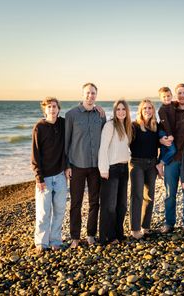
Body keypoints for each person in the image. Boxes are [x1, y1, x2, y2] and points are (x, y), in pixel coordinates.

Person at [65, 83, 106, 248]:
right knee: (76, 202)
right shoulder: (71, 115)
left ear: (96, 95)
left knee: (94, 202)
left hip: (96, 166)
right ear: (83, 94)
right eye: (88, 93)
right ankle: (75, 236)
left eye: (93, 93)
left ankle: (91, 234)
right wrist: (66, 165)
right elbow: (66, 141)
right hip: (77, 165)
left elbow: (105, 140)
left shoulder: (100, 115)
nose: (91, 96)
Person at [31, 97, 67, 253]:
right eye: (49, 107)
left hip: (60, 175)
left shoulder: (63, 124)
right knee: (43, 211)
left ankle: (55, 240)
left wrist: (98, 110)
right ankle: (41, 242)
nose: (52, 109)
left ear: (58, 109)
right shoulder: (39, 127)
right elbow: (35, 154)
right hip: (44, 177)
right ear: (44, 110)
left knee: (59, 210)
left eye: (55, 107)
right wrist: (38, 177)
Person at [160, 83, 184, 233]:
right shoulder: (170, 109)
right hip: (172, 159)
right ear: (176, 96)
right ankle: (169, 223)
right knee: (170, 193)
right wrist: (161, 138)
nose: (182, 96)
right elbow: (160, 127)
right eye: (179, 93)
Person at [98, 100, 132, 245]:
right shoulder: (110, 125)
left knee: (122, 205)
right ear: (114, 111)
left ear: (127, 111)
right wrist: (103, 169)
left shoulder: (127, 127)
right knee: (109, 206)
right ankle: (108, 236)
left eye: (123, 109)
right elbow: (103, 148)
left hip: (124, 169)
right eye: (118, 109)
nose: (121, 111)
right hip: (111, 169)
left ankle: (119, 233)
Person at [129, 100, 159, 239]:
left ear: (153, 110)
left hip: (152, 164)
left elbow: (161, 143)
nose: (147, 110)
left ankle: (145, 227)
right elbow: (125, 142)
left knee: (150, 196)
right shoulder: (134, 126)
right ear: (140, 111)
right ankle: (134, 229)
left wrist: (160, 163)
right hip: (137, 164)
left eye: (150, 108)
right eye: (145, 108)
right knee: (137, 195)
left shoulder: (155, 126)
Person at [156, 87, 177, 177]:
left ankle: (159, 168)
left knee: (164, 151)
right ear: (160, 98)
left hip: (167, 132)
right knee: (172, 150)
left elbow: (181, 102)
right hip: (163, 132)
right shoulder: (162, 110)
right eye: (164, 97)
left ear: (171, 96)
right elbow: (166, 124)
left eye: (168, 96)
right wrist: (170, 135)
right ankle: (160, 164)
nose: (166, 98)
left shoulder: (173, 104)